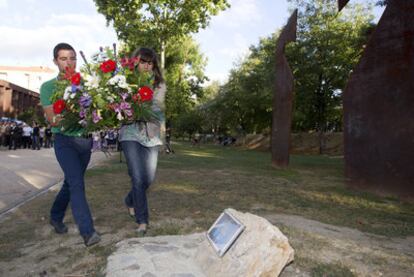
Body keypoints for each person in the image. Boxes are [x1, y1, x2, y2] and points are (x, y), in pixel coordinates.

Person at [40, 42, 100, 247]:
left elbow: (95, 112)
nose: (69, 63)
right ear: (55, 61)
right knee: (76, 183)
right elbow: (52, 120)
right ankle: (88, 232)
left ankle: (56, 216)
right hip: (64, 141)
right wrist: (73, 112)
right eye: (64, 58)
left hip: (84, 141)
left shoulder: (86, 83)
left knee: (70, 182)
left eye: (72, 58)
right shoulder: (47, 87)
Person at [118, 47, 166, 236]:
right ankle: (142, 220)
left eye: (150, 62)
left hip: (151, 134)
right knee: (137, 177)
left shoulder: (159, 84)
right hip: (130, 133)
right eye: (143, 62)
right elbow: (120, 108)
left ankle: (130, 201)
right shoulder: (124, 82)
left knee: (148, 179)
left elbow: (157, 108)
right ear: (135, 62)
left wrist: (140, 103)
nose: (146, 66)